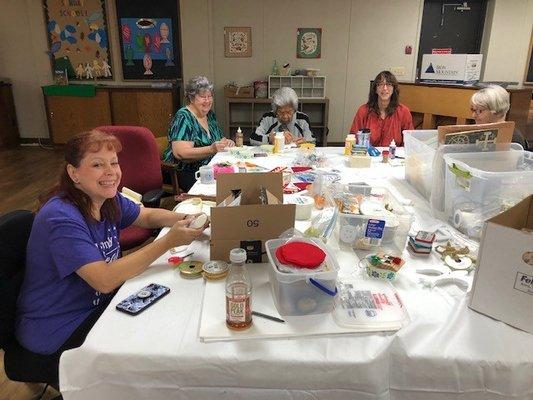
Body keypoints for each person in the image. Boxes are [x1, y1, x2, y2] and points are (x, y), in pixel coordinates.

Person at [15, 130, 207, 386]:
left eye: (114, 163)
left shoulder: (105, 198)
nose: (111, 172)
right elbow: (104, 280)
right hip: (58, 327)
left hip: (93, 306)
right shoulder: (61, 217)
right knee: (153, 358)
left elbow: (145, 216)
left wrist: (188, 219)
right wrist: (169, 241)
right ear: (74, 173)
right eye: (97, 164)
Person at [162, 76, 234, 192]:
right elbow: (180, 153)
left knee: (233, 180)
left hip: (207, 167)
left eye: (210, 96)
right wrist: (211, 149)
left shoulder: (209, 115)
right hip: (183, 171)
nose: (208, 100)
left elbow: (218, 139)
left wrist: (226, 142)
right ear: (191, 98)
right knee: (221, 189)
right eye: (202, 97)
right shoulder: (184, 117)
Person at [350, 70, 413, 147]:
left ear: (394, 89)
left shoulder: (403, 112)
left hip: (394, 156)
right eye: (380, 84)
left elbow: (409, 142)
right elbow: (353, 138)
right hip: (367, 155)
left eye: (389, 84)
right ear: (375, 89)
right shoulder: (363, 111)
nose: (385, 88)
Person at [470, 84, 529, 151]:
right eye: (472, 110)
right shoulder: (475, 131)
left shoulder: (513, 137)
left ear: (496, 111)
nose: (473, 115)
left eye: (479, 111)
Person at [250, 87, 315, 146]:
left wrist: (305, 143)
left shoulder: (303, 119)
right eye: (281, 112)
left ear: (294, 109)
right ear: (275, 110)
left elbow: (312, 141)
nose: (285, 116)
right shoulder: (268, 118)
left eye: (289, 112)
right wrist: (269, 138)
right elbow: (253, 138)